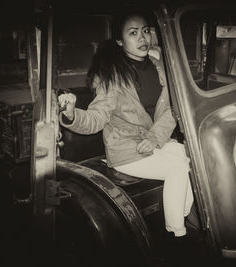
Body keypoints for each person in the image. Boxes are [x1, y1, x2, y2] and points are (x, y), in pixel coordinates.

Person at [58, 11, 194, 241]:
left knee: (192, 157)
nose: (142, 38)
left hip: (154, 141)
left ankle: (187, 215)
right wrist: (71, 115)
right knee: (178, 168)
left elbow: (171, 110)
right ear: (120, 41)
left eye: (146, 31)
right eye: (133, 33)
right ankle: (177, 232)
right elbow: (96, 118)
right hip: (127, 151)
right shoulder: (111, 76)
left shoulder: (160, 66)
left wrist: (154, 139)